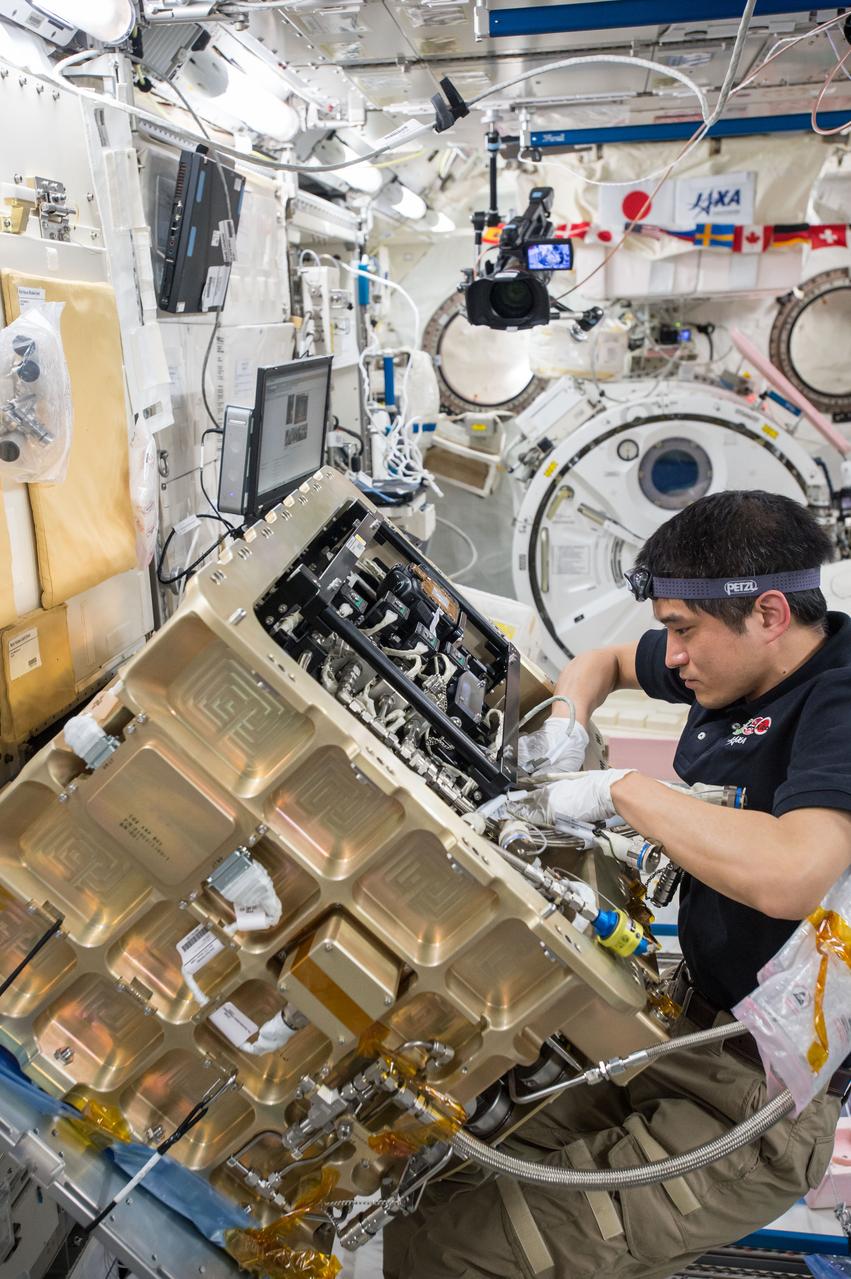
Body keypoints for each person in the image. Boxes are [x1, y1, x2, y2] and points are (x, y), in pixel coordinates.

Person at [384, 489, 851, 1279]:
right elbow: (600, 661)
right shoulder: (739, 666)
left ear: (768, 613)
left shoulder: (837, 700)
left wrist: (617, 793)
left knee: (461, 1252)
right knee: (437, 1186)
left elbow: (790, 872)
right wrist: (568, 716)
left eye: (681, 630)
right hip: (684, 1033)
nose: (669, 656)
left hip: (755, 1099)